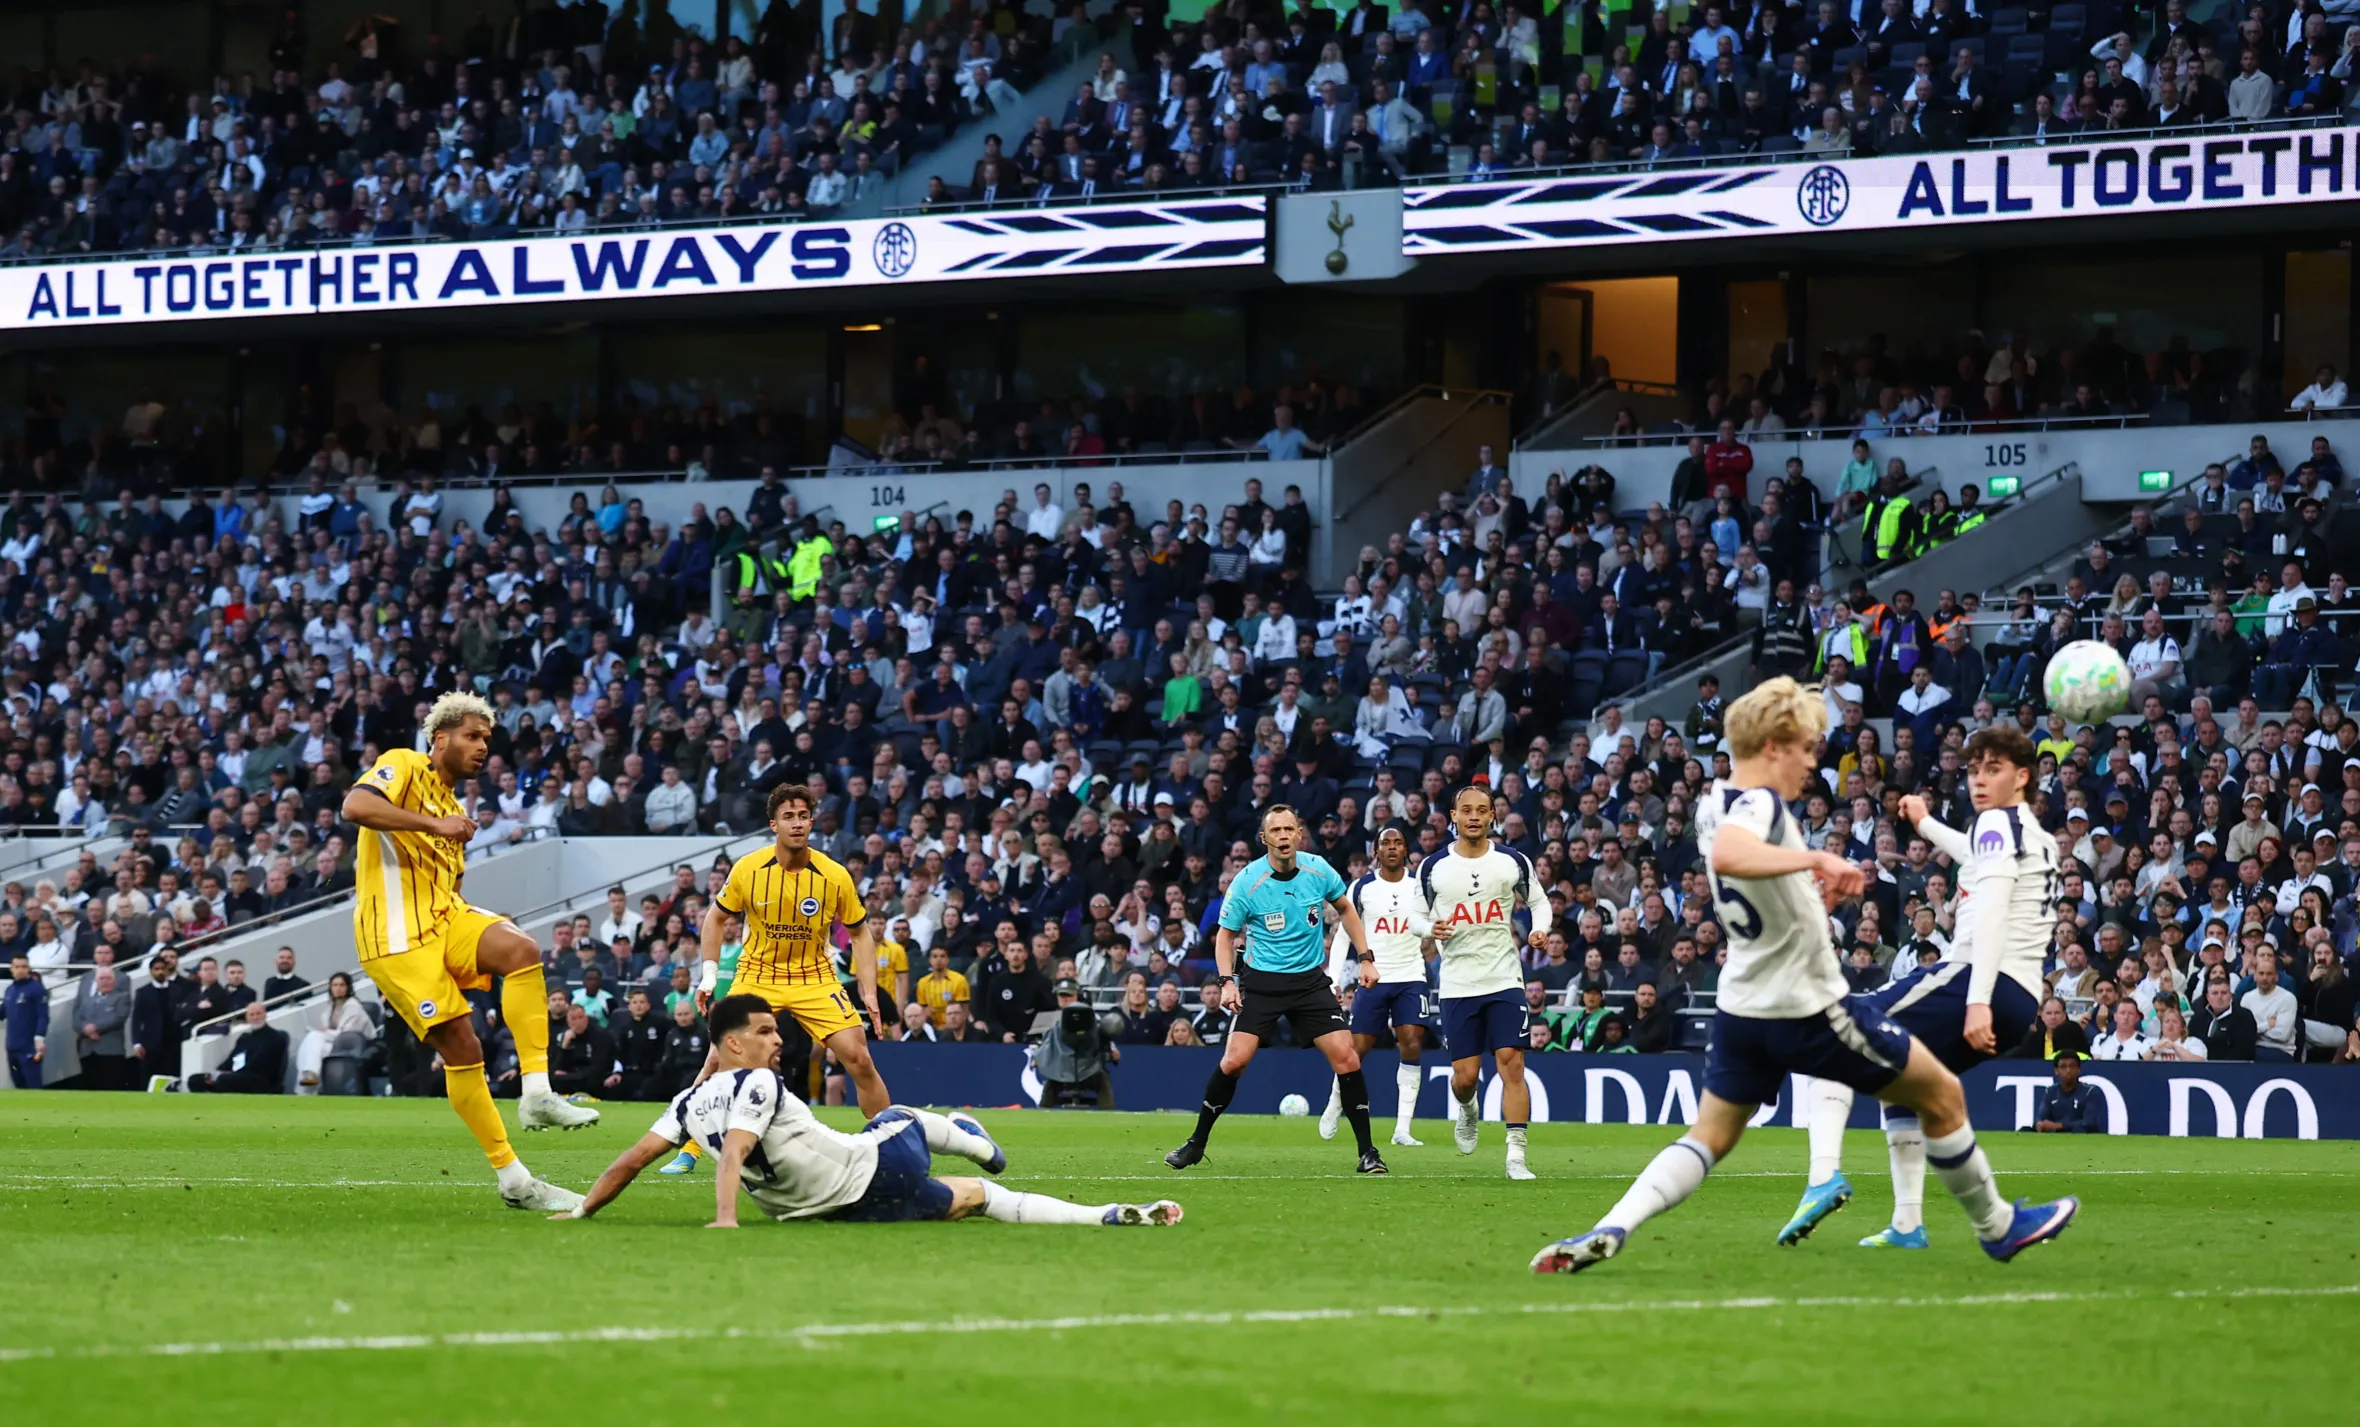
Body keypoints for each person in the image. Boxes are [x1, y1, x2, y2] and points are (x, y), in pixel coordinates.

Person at [1530, 678, 2076, 1275]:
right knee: (1941, 1093)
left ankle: (1613, 1225)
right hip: (1808, 1006)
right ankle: (1994, 1225)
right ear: (1773, 746)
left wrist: (1801, 882)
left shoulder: (1712, 801)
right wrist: (1815, 858)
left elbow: (1738, 859)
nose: (1813, 762)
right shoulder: (1758, 805)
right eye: (1807, 748)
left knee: (1708, 1137)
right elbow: (1732, 855)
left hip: (1743, 1006)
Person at [559, 994, 1181, 1229]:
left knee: (914, 1143)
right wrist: (725, 1218)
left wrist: (583, 1209)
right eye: (766, 1031)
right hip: (872, 1183)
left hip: (832, 1210)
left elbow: (632, 1161)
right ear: (731, 1045)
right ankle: (1096, 1213)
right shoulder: (755, 1085)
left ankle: (979, 1142)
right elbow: (736, 1153)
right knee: (912, 1133)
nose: (779, 1041)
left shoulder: (688, 1103)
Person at [1786, 725, 2055, 1250]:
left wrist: (1975, 999)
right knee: (1902, 1084)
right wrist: (1926, 823)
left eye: (1993, 769)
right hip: (2019, 998)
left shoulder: (1998, 824)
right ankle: (1909, 1224)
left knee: (1837, 1032)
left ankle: (1823, 1176)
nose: (1978, 779)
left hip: (1979, 980)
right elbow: (1975, 856)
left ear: (2022, 777)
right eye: (1974, 769)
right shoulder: (2031, 838)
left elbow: (1995, 910)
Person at [344, 693, 595, 1212]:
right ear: (440, 739)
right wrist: (436, 826)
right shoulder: (404, 765)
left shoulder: (454, 805)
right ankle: (514, 1178)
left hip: (444, 916)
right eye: (472, 736)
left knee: (521, 950)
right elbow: (355, 806)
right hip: (395, 939)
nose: (483, 747)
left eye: (486, 739)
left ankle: (537, 1093)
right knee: (464, 1050)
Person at [1165, 804, 1387, 1175]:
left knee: (1347, 1058)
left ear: (1299, 834)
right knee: (1234, 1061)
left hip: (1308, 981)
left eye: (1290, 829)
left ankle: (1368, 1152)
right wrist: (1226, 982)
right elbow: (1225, 937)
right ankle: (1196, 1143)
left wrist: (1365, 957)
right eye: (1276, 831)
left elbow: (1347, 910)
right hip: (1261, 982)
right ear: (1264, 838)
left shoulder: (1318, 870)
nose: (1284, 836)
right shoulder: (1248, 882)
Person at [696, 784, 892, 1118]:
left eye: (803, 816)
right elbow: (715, 919)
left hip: (815, 977)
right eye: (788, 816)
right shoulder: (748, 868)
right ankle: (688, 1145)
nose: (797, 823)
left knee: (860, 1059)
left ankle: (893, 1140)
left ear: (812, 822)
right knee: (719, 1059)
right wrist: (709, 976)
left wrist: (868, 991)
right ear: (774, 825)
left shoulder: (834, 875)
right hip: (757, 974)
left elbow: (860, 933)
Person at [1424, 784, 1552, 1180]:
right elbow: (1414, 915)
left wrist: (1539, 928)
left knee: (1511, 1063)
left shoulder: (1512, 861)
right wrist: (1431, 927)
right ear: (1454, 817)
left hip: (1503, 977)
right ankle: (1468, 1108)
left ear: (1493, 817)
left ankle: (1516, 1155)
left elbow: (1539, 902)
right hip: (1459, 983)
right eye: (1467, 810)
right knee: (1464, 1078)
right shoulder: (1434, 867)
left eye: (1483, 810)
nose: (1475, 816)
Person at [1319, 827, 1437, 1149]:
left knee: (1412, 1041)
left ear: (1407, 849)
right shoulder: (1361, 887)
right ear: (1376, 851)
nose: (1392, 848)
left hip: (1412, 975)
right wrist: (1334, 977)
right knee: (1356, 1050)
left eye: (1398, 843)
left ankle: (1403, 1128)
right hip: (1373, 977)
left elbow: (1434, 926)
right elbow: (1344, 934)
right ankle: (1335, 1102)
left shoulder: (1420, 887)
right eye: (1386, 843)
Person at [295, 971, 374, 1092]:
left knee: (314, 1038)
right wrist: (324, 1033)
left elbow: (347, 1035)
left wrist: (324, 1032)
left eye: (342, 985)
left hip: (355, 1046)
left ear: (348, 987)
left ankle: (306, 1087)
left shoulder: (353, 1006)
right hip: (337, 1044)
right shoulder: (330, 1007)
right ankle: (310, 1077)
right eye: (335, 985)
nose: (338, 988)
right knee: (308, 1045)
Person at [190, 1001, 290, 1093]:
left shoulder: (274, 1037)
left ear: (265, 1015)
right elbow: (231, 1059)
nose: (255, 1017)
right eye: (252, 1014)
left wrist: (228, 1074)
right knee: (195, 1079)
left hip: (260, 1079)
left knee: (224, 1080)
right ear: (247, 1018)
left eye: (258, 1013)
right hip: (238, 1075)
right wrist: (215, 1073)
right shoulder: (244, 1038)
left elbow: (257, 1064)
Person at [71, 964, 131, 1090]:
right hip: (88, 1050)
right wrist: (85, 1029)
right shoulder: (87, 1000)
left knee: (112, 1086)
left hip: (111, 1050)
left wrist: (95, 1028)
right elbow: (77, 1019)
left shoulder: (122, 997)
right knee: (91, 1087)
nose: (105, 981)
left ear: (114, 981)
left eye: (108, 978)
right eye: (101, 978)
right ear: (96, 981)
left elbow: (118, 1018)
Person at [2032, 1049, 2104, 1131]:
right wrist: (2039, 1125)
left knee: (2079, 1130)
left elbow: (2089, 1122)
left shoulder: (2090, 1092)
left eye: (2072, 1066)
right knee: (2025, 1130)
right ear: (2056, 1071)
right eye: (2063, 1067)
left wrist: (2059, 1126)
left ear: (2079, 1069)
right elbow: (2040, 1117)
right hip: (2055, 1136)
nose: (2068, 1070)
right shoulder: (2051, 1091)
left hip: (2080, 1137)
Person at [4, 951, 45, 1089]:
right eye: (17, 967)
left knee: (33, 1085)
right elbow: (4, 1010)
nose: (20, 970)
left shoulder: (36, 989)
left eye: (24, 967)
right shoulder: (10, 990)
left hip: (29, 1047)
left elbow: (43, 1015)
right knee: (18, 1086)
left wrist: (40, 1037)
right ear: (11, 969)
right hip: (12, 1047)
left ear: (29, 968)